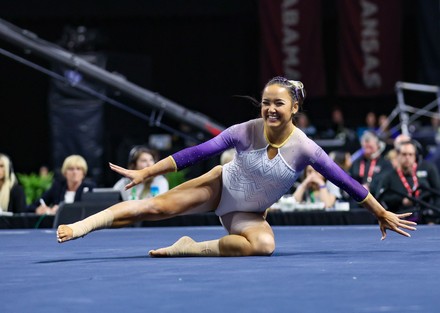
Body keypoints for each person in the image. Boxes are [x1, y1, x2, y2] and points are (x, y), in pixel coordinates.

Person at [57, 76, 416, 256]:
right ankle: (83, 225)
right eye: (265, 103)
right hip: (218, 188)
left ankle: (190, 247)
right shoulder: (244, 131)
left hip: (249, 212)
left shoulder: (306, 149)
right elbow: (195, 153)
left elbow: (348, 183)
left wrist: (380, 212)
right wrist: (146, 172)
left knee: (263, 247)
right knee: (150, 209)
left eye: (278, 103)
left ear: (295, 109)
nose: (270, 109)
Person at [377, 140, 440, 222]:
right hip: (398, 219)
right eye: (404, 154)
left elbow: (437, 193)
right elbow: (380, 198)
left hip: (425, 219)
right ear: (398, 156)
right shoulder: (388, 176)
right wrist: (401, 200)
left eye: (410, 154)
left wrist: (433, 217)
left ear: (415, 157)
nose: (407, 157)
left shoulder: (426, 172)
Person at [28, 155, 95, 215]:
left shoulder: (90, 189)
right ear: (65, 172)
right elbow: (32, 206)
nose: (75, 172)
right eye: (71, 169)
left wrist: (60, 211)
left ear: (84, 173)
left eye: (78, 169)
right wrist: (39, 209)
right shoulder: (57, 187)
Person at [349, 131, 392, 196]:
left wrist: (370, 187)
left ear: (378, 146)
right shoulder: (356, 162)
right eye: (365, 147)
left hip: (377, 198)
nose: (368, 150)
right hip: (357, 198)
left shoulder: (385, 163)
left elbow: (384, 181)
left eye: (370, 147)